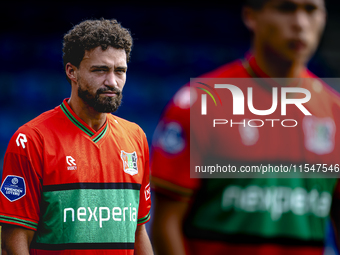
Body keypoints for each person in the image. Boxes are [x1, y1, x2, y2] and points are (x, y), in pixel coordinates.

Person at [150, 0, 340, 254]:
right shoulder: (201, 103)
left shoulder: (335, 112)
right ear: (251, 16)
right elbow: (165, 224)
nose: (300, 23)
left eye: (311, 10)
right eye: (286, 8)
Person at [0, 19, 153, 255]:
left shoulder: (136, 137)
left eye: (120, 71)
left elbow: (138, 231)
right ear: (72, 71)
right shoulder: (32, 139)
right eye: (100, 70)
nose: (112, 82)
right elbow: (14, 237)